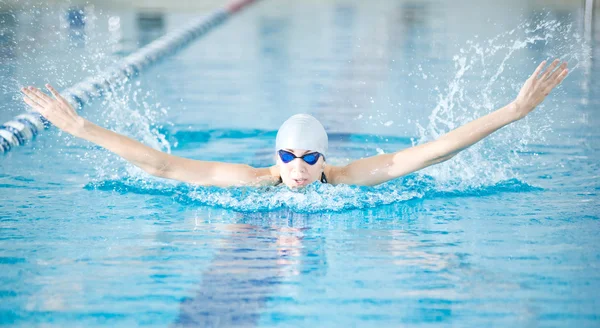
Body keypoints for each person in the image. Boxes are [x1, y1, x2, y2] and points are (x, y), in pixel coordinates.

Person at [21, 59, 568, 189]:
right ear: (274, 155)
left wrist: (513, 111)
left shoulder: (348, 181)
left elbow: (428, 153)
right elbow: (162, 165)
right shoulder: (250, 182)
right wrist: (78, 128)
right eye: (289, 157)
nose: (299, 170)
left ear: (324, 158)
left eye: (310, 158)